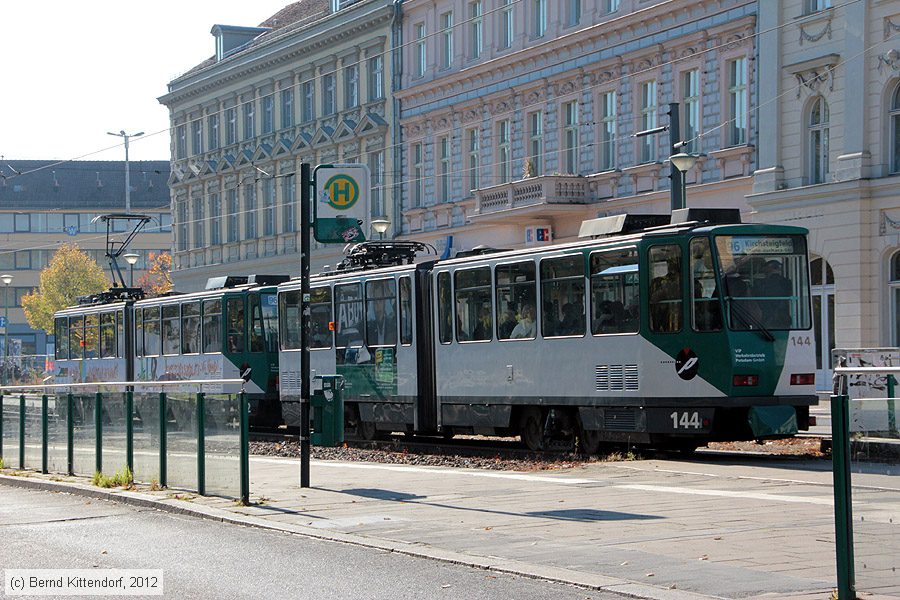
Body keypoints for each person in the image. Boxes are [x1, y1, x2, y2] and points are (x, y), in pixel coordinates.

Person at [754, 260, 793, 328]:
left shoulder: (761, 283)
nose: (763, 270)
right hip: (783, 317)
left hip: (766, 317)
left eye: (765, 268)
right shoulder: (787, 282)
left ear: (769, 269)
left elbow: (757, 298)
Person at [649, 257, 682, 332]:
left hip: (682, 318)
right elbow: (653, 299)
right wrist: (664, 289)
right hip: (665, 319)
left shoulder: (689, 283)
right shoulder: (659, 282)